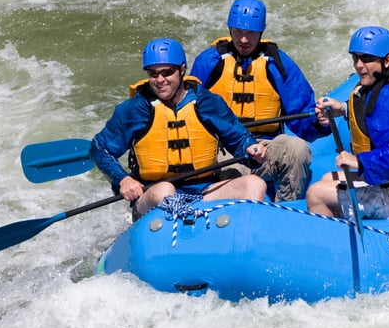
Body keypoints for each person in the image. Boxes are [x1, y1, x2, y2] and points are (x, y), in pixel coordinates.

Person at [89, 38, 268, 218]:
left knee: (254, 184)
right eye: (153, 74)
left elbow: (238, 138)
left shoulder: (207, 102)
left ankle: (243, 240)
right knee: (166, 190)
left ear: (182, 70)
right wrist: (123, 179)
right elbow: (99, 148)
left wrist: (251, 148)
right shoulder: (135, 110)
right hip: (154, 195)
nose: (160, 80)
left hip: (204, 192)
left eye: (167, 72)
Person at [189, 0, 329, 201]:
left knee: (298, 150)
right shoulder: (209, 61)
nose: (244, 40)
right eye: (238, 32)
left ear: (261, 32)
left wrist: (319, 122)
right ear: (230, 30)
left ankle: (286, 211)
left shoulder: (278, 63)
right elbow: (188, 109)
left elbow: (301, 113)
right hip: (223, 148)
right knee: (234, 172)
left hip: (266, 147)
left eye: (251, 33)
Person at [306, 26, 389, 222]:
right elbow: (374, 114)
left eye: (367, 59)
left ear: (387, 61)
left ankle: (332, 247)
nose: (359, 65)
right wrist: (344, 109)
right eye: (356, 58)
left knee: (316, 194)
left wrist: (360, 161)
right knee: (329, 178)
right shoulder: (381, 85)